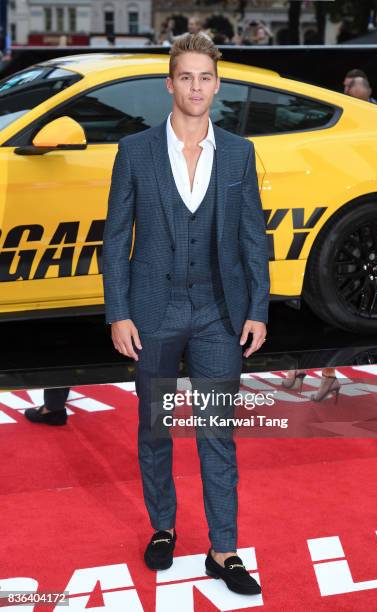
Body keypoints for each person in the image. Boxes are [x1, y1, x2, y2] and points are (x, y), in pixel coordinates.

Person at [102, 32, 269, 596]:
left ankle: (224, 551)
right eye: (186, 77)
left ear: (216, 85)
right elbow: (116, 239)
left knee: (217, 432)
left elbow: (253, 240)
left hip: (220, 314)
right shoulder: (135, 151)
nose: (196, 87)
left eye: (206, 77)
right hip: (152, 312)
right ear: (169, 83)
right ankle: (164, 528)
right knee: (155, 429)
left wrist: (259, 309)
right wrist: (118, 312)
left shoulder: (241, 153)